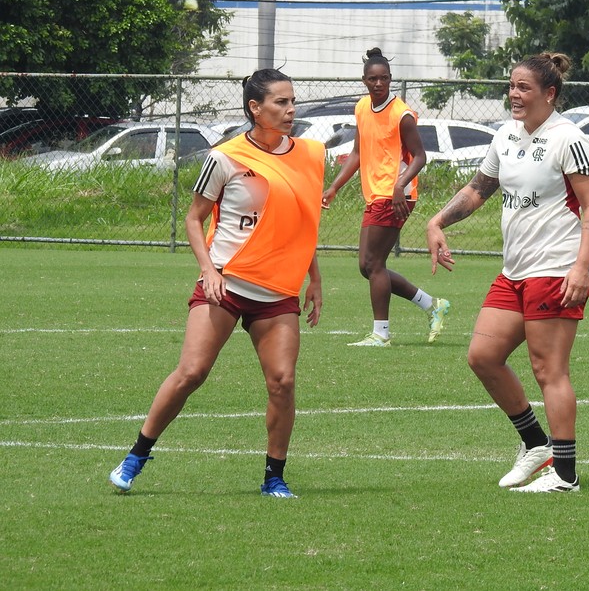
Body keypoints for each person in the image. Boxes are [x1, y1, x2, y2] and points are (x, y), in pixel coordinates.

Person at [108, 68, 325, 499]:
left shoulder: (310, 154)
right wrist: (208, 269)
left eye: (292, 100)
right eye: (280, 102)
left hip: (278, 291)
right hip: (226, 282)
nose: (290, 109)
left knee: (282, 382)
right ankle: (136, 455)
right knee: (192, 372)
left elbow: (301, 224)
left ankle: (274, 478)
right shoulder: (224, 157)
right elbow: (193, 219)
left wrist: (314, 278)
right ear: (254, 108)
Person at [426, 52, 589, 493]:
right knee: (482, 357)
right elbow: (478, 189)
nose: (514, 95)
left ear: (550, 93)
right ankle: (535, 443)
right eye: (511, 86)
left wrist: (582, 268)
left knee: (549, 371)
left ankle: (565, 475)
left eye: (524, 88)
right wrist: (436, 223)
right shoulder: (504, 135)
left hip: (556, 267)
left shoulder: (569, 138)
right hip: (515, 271)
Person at [322, 47, 449, 347]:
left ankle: (381, 334)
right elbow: (357, 152)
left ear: (390, 79)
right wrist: (335, 186)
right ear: (364, 80)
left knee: (373, 263)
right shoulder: (362, 108)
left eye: (384, 79)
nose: (378, 84)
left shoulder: (401, 114)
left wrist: (399, 185)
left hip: (397, 195)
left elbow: (420, 156)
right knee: (367, 267)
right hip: (376, 193)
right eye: (372, 79)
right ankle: (432, 305)